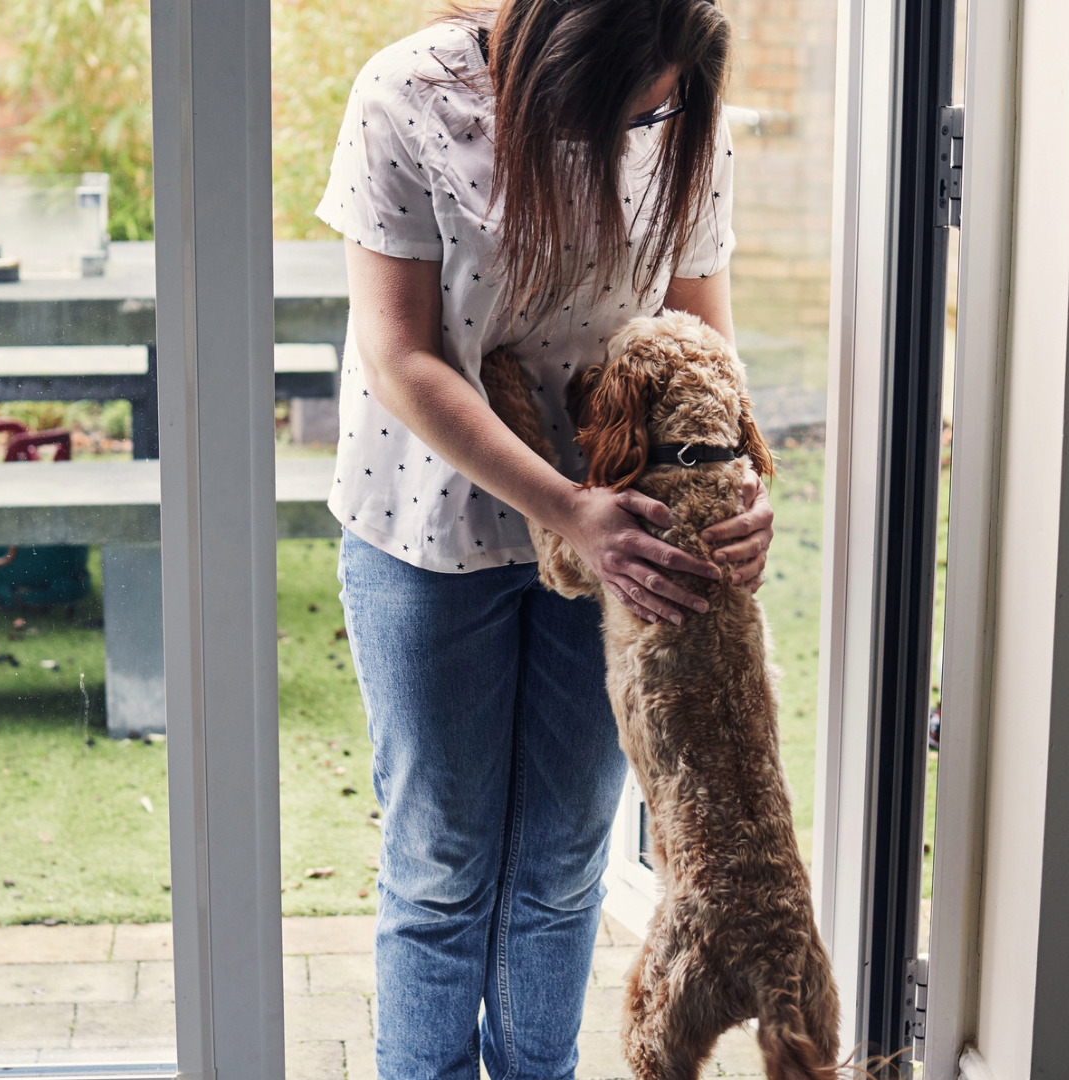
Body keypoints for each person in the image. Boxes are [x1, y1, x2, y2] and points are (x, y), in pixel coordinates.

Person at [315, 1, 773, 1077]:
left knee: (564, 863)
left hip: (629, 532)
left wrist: (735, 487)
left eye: (655, 116)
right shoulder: (408, 97)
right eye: (615, 115)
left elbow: (698, 326)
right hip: (429, 525)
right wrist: (568, 512)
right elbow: (403, 356)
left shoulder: (683, 118)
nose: (637, 137)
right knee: (442, 866)